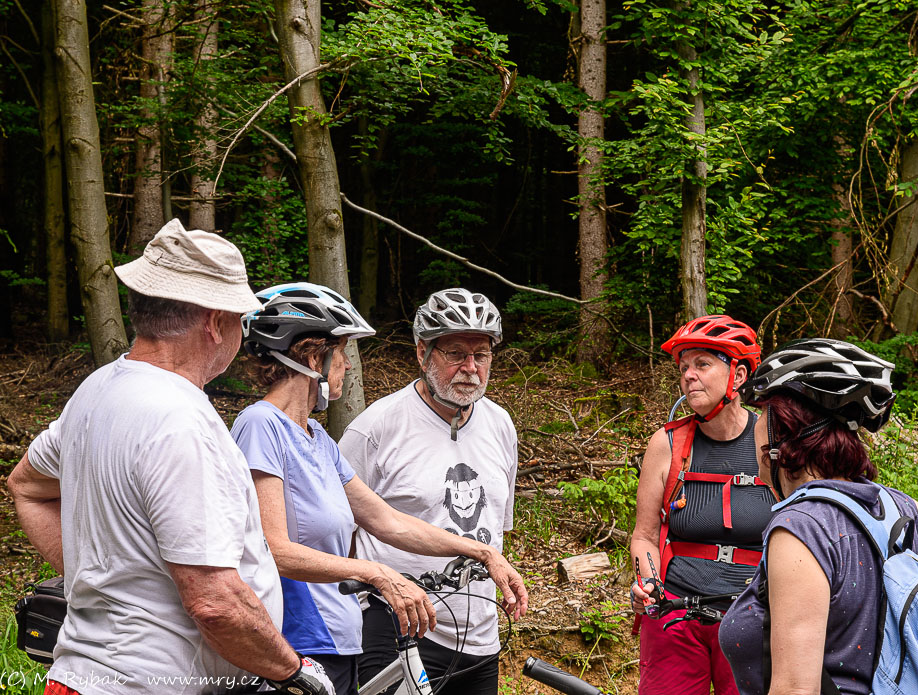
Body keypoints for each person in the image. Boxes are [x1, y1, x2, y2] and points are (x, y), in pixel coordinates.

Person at [5, 219, 333, 695]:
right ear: (214, 321)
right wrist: (293, 672)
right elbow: (215, 603)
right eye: (239, 319)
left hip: (82, 678)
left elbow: (27, 486)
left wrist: (96, 580)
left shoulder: (98, 389)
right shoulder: (181, 421)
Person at [232, 282, 528, 695]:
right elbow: (272, 548)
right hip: (300, 638)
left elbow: (386, 520)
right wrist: (377, 573)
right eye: (343, 354)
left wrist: (482, 551)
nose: (348, 367)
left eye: (480, 355)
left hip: (340, 639)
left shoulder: (316, 436)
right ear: (313, 357)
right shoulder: (261, 424)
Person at [719, 338, 918, 695]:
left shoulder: (800, 527)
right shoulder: (898, 509)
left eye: (763, 415)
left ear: (780, 435)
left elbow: (796, 689)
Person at [337, 288, 523, 695]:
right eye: (455, 353)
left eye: (482, 355)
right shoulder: (376, 428)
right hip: (398, 628)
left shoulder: (500, 424)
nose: (470, 368)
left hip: (480, 634)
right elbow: (337, 529)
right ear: (423, 353)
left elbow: (495, 524)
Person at [629, 315, 776, 695]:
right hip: (675, 615)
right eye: (683, 368)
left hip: (753, 616)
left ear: (739, 376)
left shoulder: (772, 444)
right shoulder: (667, 444)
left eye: (702, 364)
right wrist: (647, 582)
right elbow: (644, 535)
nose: (688, 376)